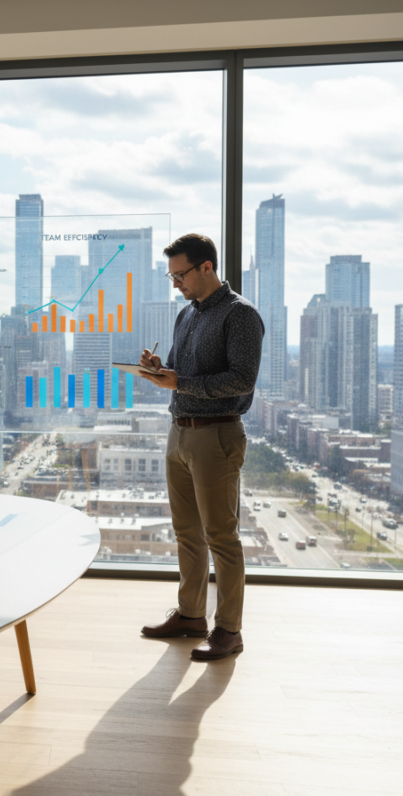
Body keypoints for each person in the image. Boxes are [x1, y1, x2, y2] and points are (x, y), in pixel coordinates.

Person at [138, 234, 264, 662]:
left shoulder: (240, 315)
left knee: (221, 537)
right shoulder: (186, 315)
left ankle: (229, 630)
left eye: (180, 274)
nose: (176, 282)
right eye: (172, 275)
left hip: (216, 435)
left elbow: (242, 380)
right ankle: (191, 616)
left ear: (206, 267)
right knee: (187, 533)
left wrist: (181, 383)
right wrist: (160, 370)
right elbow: (180, 372)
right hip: (180, 432)